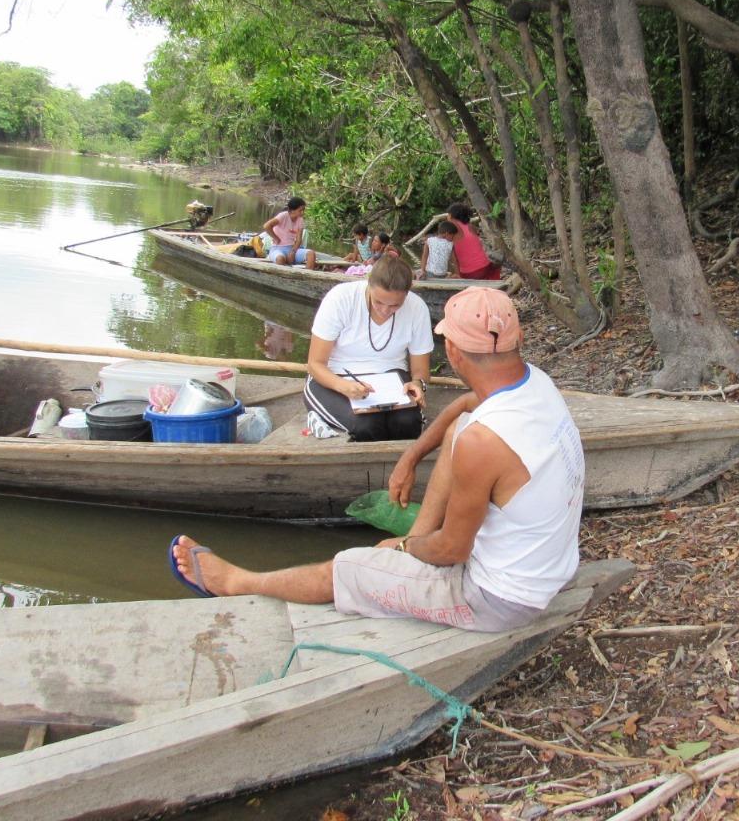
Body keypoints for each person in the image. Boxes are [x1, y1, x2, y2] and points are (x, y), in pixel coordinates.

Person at [170, 287, 585, 633]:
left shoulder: (486, 442)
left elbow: (452, 549)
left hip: (497, 598)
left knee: (349, 566)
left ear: (453, 351)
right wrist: (413, 453)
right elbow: (463, 404)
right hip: (547, 567)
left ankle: (237, 582)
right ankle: (402, 555)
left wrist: (404, 544)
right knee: (459, 430)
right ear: (514, 341)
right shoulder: (534, 382)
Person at [302, 256, 432, 442]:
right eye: (378, 302)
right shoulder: (341, 298)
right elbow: (315, 364)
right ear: (368, 285)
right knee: (367, 426)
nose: (385, 311)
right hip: (336, 376)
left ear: (407, 294)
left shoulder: (417, 307)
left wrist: (418, 384)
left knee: (408, 423)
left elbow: (420, 370)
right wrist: (344, 386)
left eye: (395, 305)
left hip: (391, 377)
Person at [447, 203, 502, 281]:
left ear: (451, 215)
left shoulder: (452, 227)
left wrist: (458, 276)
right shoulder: (470, 226)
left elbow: (454, 258)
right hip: (486, 266)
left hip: (471, 273)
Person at [263, 197, 317, 270]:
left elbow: (298, 240)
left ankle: (307, 276)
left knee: (311, 254)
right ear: (292, 210)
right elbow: (267, 226)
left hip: (292, 248)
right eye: (300, 210)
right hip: (277, 249)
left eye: (303, 210)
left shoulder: (300, 220)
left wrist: (293, 252)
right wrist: (276, 238)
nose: (302, 212)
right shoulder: (283, 215)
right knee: (280, 259)